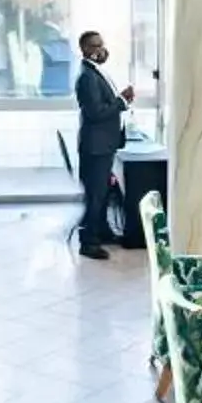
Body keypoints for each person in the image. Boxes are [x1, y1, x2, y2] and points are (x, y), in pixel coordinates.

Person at [72, 28, 133, 261]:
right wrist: (121, 101)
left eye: (102, 44)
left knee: (103, 192)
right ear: (85, 49)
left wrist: (120, 101)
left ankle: (103, 232)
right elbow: (96, 113)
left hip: (103, 145)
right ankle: (89, 243)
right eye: (95, 46)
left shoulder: (95, 73)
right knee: (96, 195)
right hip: (95, 147)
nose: (101, 50)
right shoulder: (87, 78)